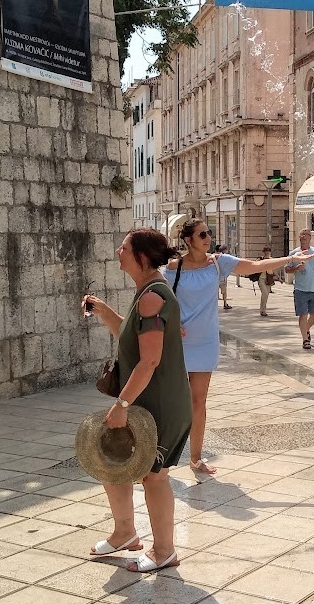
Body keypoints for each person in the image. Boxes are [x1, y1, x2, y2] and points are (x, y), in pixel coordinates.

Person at [82, 228, 190, 572]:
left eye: (124, 247)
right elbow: (129, 333)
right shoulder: (145, 292)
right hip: (148, 400)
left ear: (141, 256)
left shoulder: (152, 297)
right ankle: (125, 533)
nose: (118, 251)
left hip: (160, 403)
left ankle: (165, 551)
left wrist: (121, 405)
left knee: (154, 477)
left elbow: (150, 360)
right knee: (111, 459)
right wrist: (102, 311)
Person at [167, 219, 314, 473]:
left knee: (198, 402)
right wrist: (170, 323)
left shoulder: (218, 263)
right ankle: (163, 456)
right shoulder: (173, 268)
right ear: (188, 240)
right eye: (202, 234)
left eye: (209, 233)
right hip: (178, 343)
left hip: (205, 342)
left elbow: (254, 266)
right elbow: (160, 300)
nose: (208, 238)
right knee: (173, 401)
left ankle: (195, 458)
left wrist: (287, 260)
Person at [285, 229, 314, 348]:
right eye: (301, 235)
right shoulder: (294, 253)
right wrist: (296, 268)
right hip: (300, 289)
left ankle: (306, 329)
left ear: (310, 237)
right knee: (303, 315)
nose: (303, 237)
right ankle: (305, 340)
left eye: (305, 235)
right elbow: (287, 269)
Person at [257, 246, 275, 317]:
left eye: (268, 251)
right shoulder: (260, 259)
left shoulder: (272, 260)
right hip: (261, 279)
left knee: (266, 295)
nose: (267, 252)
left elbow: (274, 270)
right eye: (265, 251)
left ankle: (263, 309)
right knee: (264, 293)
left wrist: (279, 278)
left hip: (268, 279)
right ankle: (262, 310)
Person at [216, 244, 232, 309]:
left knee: (214, 292)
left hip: (215, 277)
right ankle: (225, 303)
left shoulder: (215, 256)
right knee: (224, 292)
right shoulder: (225, 257)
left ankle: (214, 305)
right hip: (222, 277)